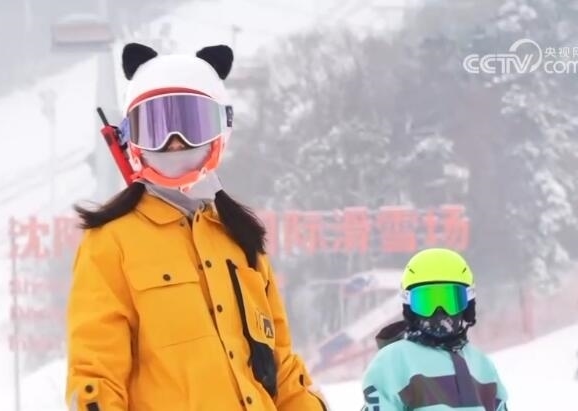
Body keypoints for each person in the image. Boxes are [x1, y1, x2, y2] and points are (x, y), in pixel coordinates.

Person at [65, 43, 328, 411]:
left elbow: (282, 370)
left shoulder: (239, 238)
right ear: (130, 137)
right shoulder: (111, 242)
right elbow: (95, 376)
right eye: (156, 127)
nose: (175, 143)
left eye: (191, 124)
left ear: (221, 128)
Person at [361, 248, 509, 411]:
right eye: (427, 302)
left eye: (450, 301)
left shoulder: (482, 365)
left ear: (467, 305)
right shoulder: (393, 361)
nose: (439, 312)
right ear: (410, 307)